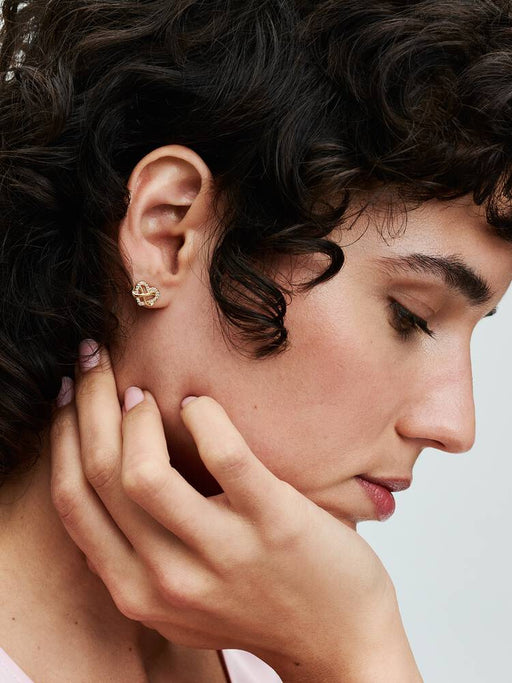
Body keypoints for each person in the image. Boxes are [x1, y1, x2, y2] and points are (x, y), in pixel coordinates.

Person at [1, 0, 512, 681]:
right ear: (168, 232)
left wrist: (355, 649)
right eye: (410, 315)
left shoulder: (301, 632)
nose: (456, 426)